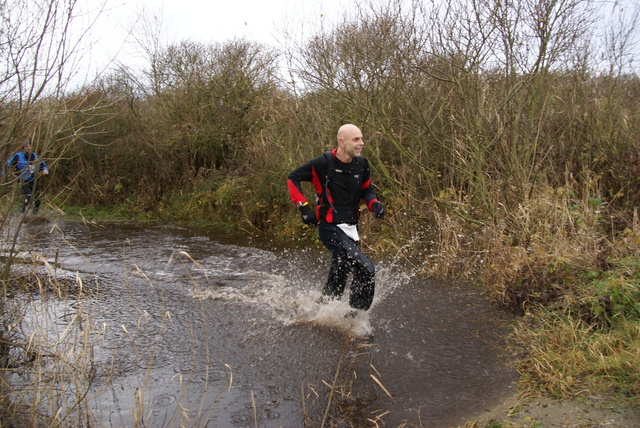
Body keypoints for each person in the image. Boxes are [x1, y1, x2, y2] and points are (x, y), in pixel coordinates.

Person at [287, 124, 385, 315]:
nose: (361, 143)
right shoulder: (323, 164)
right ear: (342, 142)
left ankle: (320, 312)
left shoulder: (362, 164)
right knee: (366, 270)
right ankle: (355, 321)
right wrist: (303, 207)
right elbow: (293, 178)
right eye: (356, 139)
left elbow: (367, 189)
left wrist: (374, 204)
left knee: (338, 276)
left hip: (351, 228)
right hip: (329, 227)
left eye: (361, 138)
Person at [5, 141, 49, 214]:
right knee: (28, 196)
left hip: (33, 179)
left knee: (37, 198)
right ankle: (22, 210)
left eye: (29, 146)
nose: (28, 148)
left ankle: (35, 213)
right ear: (23, 148)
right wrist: (7, 174)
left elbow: (43, 165)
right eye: (26, 146)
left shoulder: (34, 156)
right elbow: (8, 164)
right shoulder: (18, 156)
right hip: (23, 179)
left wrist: (45, 170)